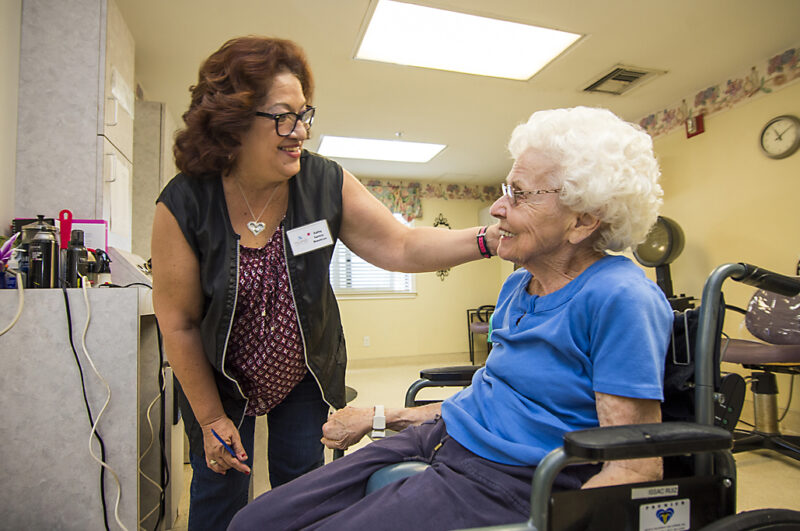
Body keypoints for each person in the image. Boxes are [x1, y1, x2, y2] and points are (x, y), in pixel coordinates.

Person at [227, 106, 675, 530]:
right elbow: (488, 400)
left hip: (507, 479)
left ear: (582, 221)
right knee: (253, 521)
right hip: (442, 437)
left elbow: (635, 465)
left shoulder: (620, 297)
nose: (498, 209)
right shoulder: (517, 287)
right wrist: (380, 416)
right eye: (506, 190)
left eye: (518, 195)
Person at [150, 36, 499, 531]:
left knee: (302, 488)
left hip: (303, 372)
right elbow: (180, 324)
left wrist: (489, 238)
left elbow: (401, 245)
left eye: (305, 115)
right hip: (218, 376)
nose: (300, 133)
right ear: (232, 121)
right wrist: (209, 418)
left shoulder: (322, 181)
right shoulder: (185, 202)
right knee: (219, 486)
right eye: (283, 118)